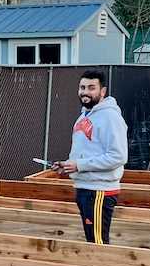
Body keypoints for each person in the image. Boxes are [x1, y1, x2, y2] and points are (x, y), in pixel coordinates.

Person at [50, 69, 128, 244]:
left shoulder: (110, 117)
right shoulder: (83, 116)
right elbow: (84, 153)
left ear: (103, 91)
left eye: (91, 87)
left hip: (99, 191)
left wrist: (80, 165)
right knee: (92, 240)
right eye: (82, 87)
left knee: (97, 243)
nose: (85, 92)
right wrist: (67, 166)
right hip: (85, 188)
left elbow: (118, 156)